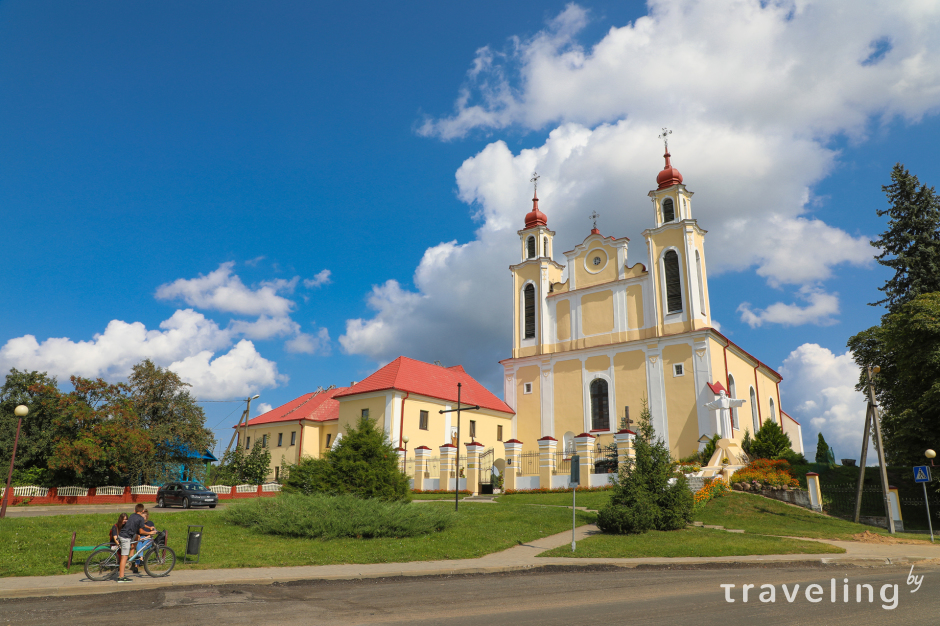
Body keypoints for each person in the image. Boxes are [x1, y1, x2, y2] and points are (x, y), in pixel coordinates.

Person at [116, 503, 152, 582]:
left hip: (123, 534)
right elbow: (141, 530)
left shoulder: (132, 515)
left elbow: (141, 525)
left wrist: (149, 527)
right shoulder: (141, 518)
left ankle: (132, 555)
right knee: (124, 557)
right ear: (142, 511)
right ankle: (121, 577)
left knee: (136, 536)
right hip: (126, 537)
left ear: (135, 510)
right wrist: (150, 533)